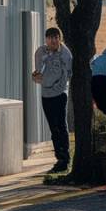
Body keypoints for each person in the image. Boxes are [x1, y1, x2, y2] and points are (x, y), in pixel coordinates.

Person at [33, 27, 73, 173]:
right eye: (50, 38)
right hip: (46, 94)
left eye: (56, 37)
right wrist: (36, 77)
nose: (54, 40)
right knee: (53, 128)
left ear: (59, 38)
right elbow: (38, 74)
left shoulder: (65, 54)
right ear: (46, 39)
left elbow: (69, 74)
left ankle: (65, 159)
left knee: (61, 125)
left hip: (60, 94)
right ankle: (59, 157)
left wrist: (57, 86)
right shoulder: (40, 52)